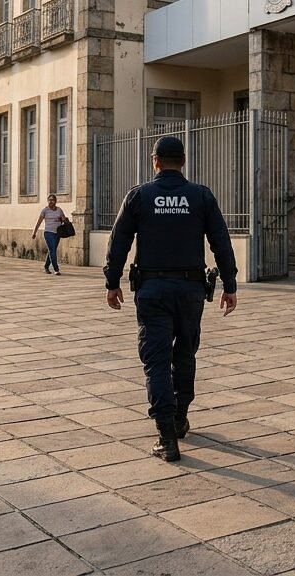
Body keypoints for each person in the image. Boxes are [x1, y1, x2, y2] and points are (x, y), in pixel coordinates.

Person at [104, 135, 239, 462]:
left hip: (152, 291)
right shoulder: (201, 196)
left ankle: (167, 436)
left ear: (155, 162)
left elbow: (118, 241)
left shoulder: (139, 196)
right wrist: (230, 285)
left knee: (156, 360)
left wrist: (112, 281)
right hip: (191, 291)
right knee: (185, 355)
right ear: (183, 162)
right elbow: (221, 241)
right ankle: (179, 417)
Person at [32, 195, 67, 275]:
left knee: (52, 250)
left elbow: (63, 219)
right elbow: (39, 222)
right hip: (48, 232)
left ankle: (46, 266)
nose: (51, 201)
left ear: (55, 201)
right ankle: (56, 269)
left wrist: (61, 219)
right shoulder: (45, 210)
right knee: (52, 250)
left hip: (57, 233)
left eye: (52, 200)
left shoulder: (59, 210)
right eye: (49, 200)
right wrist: (34, 232)